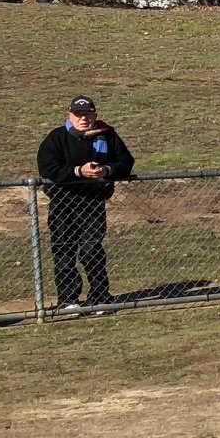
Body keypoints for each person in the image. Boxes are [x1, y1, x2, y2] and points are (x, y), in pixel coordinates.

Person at [35, 95, 134, 309]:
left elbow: (126, 162)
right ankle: (68, 300)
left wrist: (107, 170)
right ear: (70, 115)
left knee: (92, 249)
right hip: (63, 204)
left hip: (93, 203)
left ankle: (100, 297)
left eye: (88, 114)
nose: (84, 119)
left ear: (95, 115)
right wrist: (79, 171)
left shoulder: (107, 136)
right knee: (64, 250)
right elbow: (48, 168)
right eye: (79, 114)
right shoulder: (57, 138)